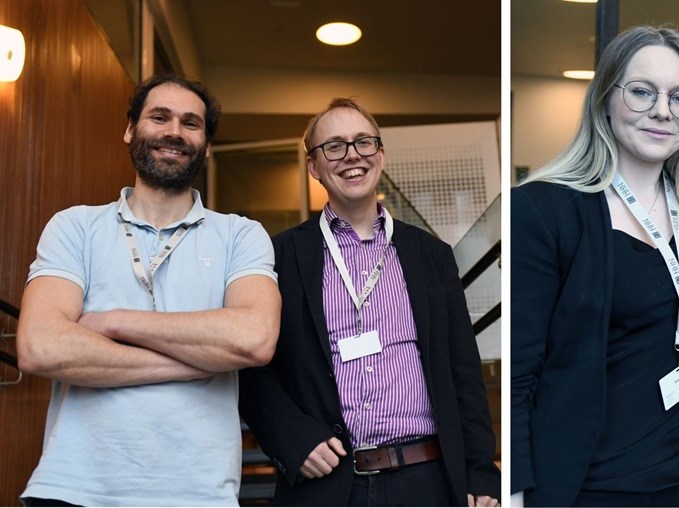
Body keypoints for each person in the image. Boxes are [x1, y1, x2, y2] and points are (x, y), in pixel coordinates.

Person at [510, 26, 679, 506]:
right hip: (581, 489)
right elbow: (519, 373)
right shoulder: (545, 210)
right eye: (642, 92)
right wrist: (514, 492)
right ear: (604, 99)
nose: (662, 110)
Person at [16, 74, 280, 506]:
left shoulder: (240, 235)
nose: (174, 131)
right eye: (159, 117)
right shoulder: (75, 226)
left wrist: (114, 322)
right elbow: (40, 347)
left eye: (190, 123)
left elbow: (254, 338)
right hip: (73, 489)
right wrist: (198, 361)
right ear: (130, 130)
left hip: (197, 493)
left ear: (207, 145)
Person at [240, 98, 500, 506]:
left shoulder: (432, 255)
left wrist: (482, 473)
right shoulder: (279, 257)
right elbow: (252, 369)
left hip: (426, 481)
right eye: (334, 146)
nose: (352, 156)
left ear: (380, 154)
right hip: (325, 483)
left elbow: (462, 370)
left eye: (363, 142)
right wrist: (292, 438)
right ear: (313, 166)